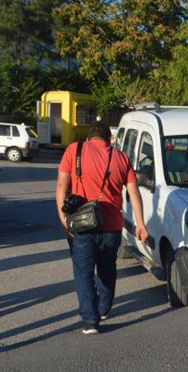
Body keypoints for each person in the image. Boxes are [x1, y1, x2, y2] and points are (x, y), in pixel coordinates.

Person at [56, 121, 148, 335]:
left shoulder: (74, 150)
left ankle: (90, 321)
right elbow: (134, 193)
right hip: (112, 226)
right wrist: (140, 224)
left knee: (83, 272)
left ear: (89, 138)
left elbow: (61, 185)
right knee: (107, 268)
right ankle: (104, 308)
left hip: (81, 224)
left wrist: (63, 217)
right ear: (109, 140)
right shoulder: (121, 157)